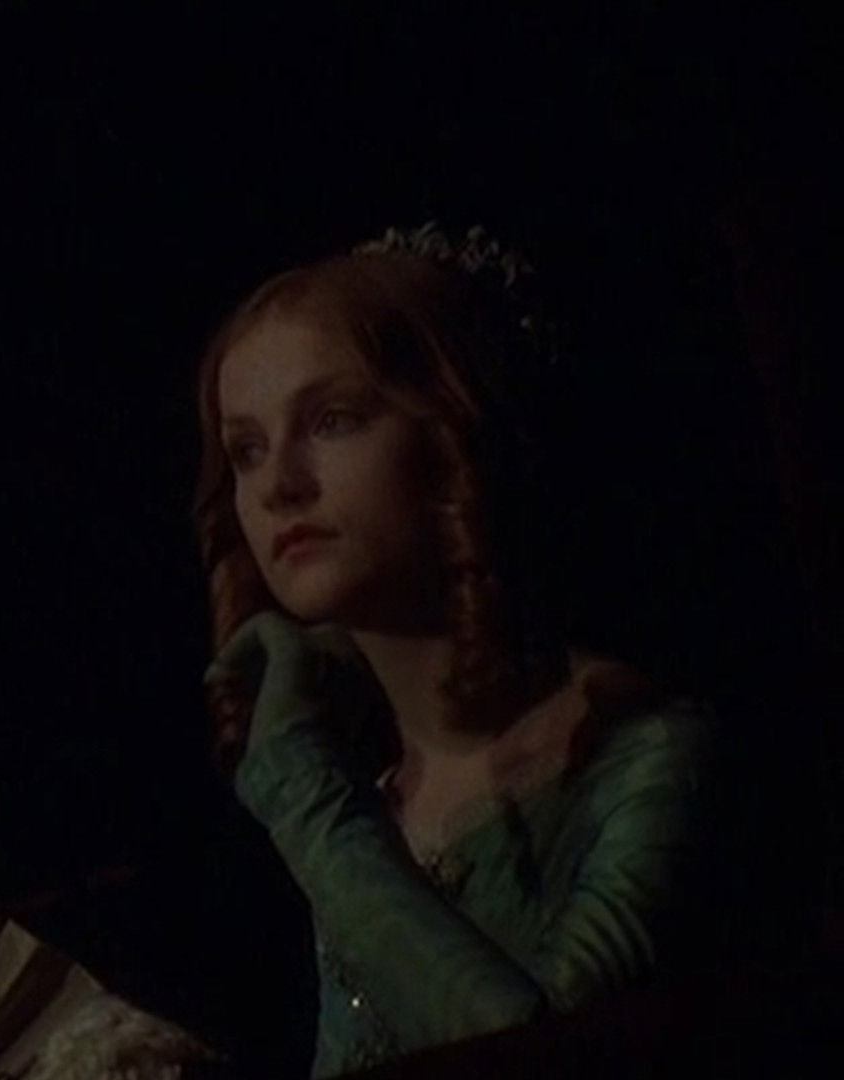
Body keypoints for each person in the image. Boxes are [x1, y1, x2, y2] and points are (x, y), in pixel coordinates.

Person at [191, 223, 717, 1076]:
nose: (279, 484)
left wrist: (306, 800)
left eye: (332, 420)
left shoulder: (645, 756)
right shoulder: (377, 796)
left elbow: (544, 1056)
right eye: (246, 449)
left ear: (456, 437)